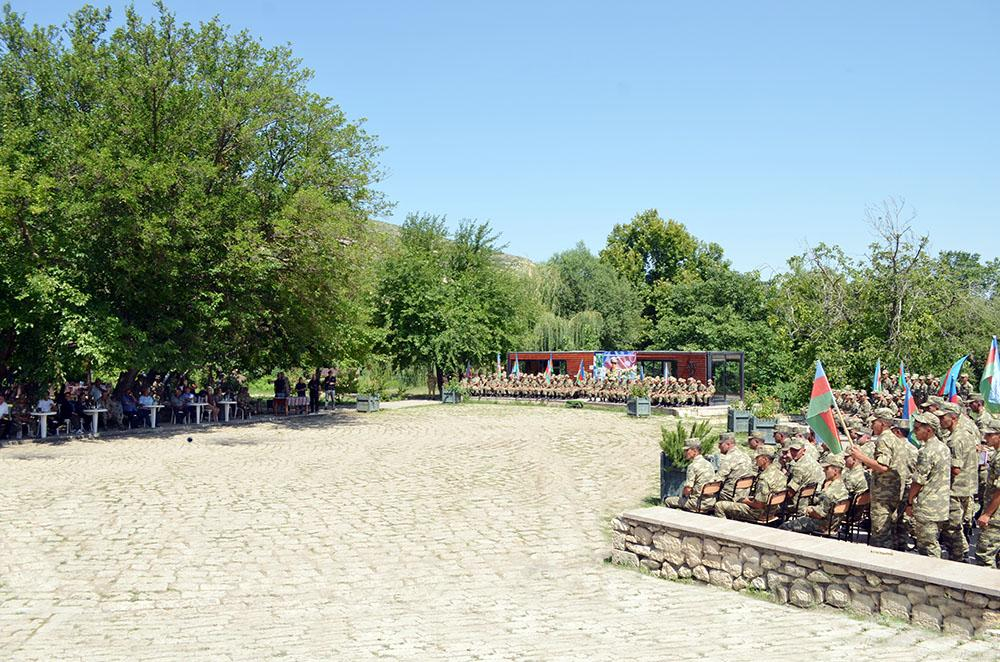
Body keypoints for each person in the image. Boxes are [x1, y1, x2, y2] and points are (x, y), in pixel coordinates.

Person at [850, 408, 908, 549]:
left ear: (882, 423)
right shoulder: (895, 439)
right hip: (894, 492)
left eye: (874, 422)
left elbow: (883, 466)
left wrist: (861, 457)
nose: (871, 426)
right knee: (891, 531)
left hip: (884, 494)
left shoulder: (884, 439)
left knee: (881, 534)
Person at [935, 401, 979, 561]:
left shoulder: (955, 439)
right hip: (966, 487)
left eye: (943, 417)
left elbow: (955, 469)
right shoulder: (966, 433)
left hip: (955, 489)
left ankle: (959, 556)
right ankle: (962, 552)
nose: (940, 421)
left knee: (951, 526)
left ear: (953, 418)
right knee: (956, 525)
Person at [905, 413, 952, 558]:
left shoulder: (926, 451)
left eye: (917, 428)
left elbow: (918, 481)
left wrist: (909, 501)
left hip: (927, 506)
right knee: (931, 542)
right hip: (940, 504)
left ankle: (932, 571)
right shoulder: (943, 447)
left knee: (927, 547)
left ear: (929, 430)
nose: (914, 432)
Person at [780, 454, 849, 534]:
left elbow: (820, 514)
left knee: (785, 526)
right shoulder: (843, 487)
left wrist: (808, 510)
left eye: (827, 468)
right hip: (834, 526)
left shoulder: (830, 492)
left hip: (821, 525)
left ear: (835, 471)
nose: (823, 470)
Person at [715, 446, 787, 522]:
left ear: (765, 459)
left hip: (759, 513)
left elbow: (759, 505)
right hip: (773, 511)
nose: (755, 460)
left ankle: (723, 527)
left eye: (757, 458)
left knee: (719, 505)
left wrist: (746, 501)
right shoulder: (780, 474)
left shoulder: (764, 478)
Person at [663, 439, 717, 513]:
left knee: (668, 500)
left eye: (687, 450)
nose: (684, 453)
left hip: (697, 503)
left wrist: (682, 495)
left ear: (695, 451)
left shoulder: (692, 466)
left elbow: (688, 489)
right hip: (711, 502)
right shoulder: (709, 464)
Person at [974, 423, 1000, 567]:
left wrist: (987, 514)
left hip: (995, 515)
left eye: (990, 435)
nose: (985, 438)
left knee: (984, 555)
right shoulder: (996, 454)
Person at [716, 433, 754, 503]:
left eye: (720, 444)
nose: (719, 447)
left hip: (729, 495)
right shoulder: (746, 456)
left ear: (728, 444)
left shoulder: (728, 459)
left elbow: (717, 480)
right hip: (745, 493)